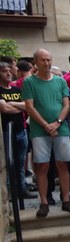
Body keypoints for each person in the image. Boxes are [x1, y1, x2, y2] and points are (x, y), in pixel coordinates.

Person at [22, 48, 70, 217]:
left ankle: (66, 199)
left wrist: (58, 122)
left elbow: (66, 104)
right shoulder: (29, 82)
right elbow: (29, 107)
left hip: (61, 129)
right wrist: (46, 125)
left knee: (63, 164)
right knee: (42, 166)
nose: (46, 63)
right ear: (36, 62)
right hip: (40, 130)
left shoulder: (60, 81)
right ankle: (44, 202)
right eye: (43, 60)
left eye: (48, 60)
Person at [0, 61, 36, 200]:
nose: (9, 73)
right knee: (9, 163)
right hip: (6, 132)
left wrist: (12, 104)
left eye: (9, 70)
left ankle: (21, 188)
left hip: (21, 130)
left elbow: (29, 106)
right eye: (4, 71)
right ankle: (11, 191)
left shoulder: (16, 90)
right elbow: (4, 109)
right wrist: (19, 106)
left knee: (21, 162)